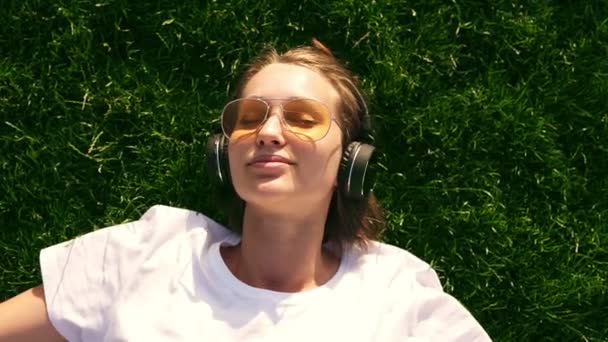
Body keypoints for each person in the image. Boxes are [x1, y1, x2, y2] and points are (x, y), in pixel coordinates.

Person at [0, 39, 492, 341]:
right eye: (250, 117)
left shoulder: (396, 294)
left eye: (302, 118)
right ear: (224, 151)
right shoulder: (146, 253)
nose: (269, 132)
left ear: (352, 161)